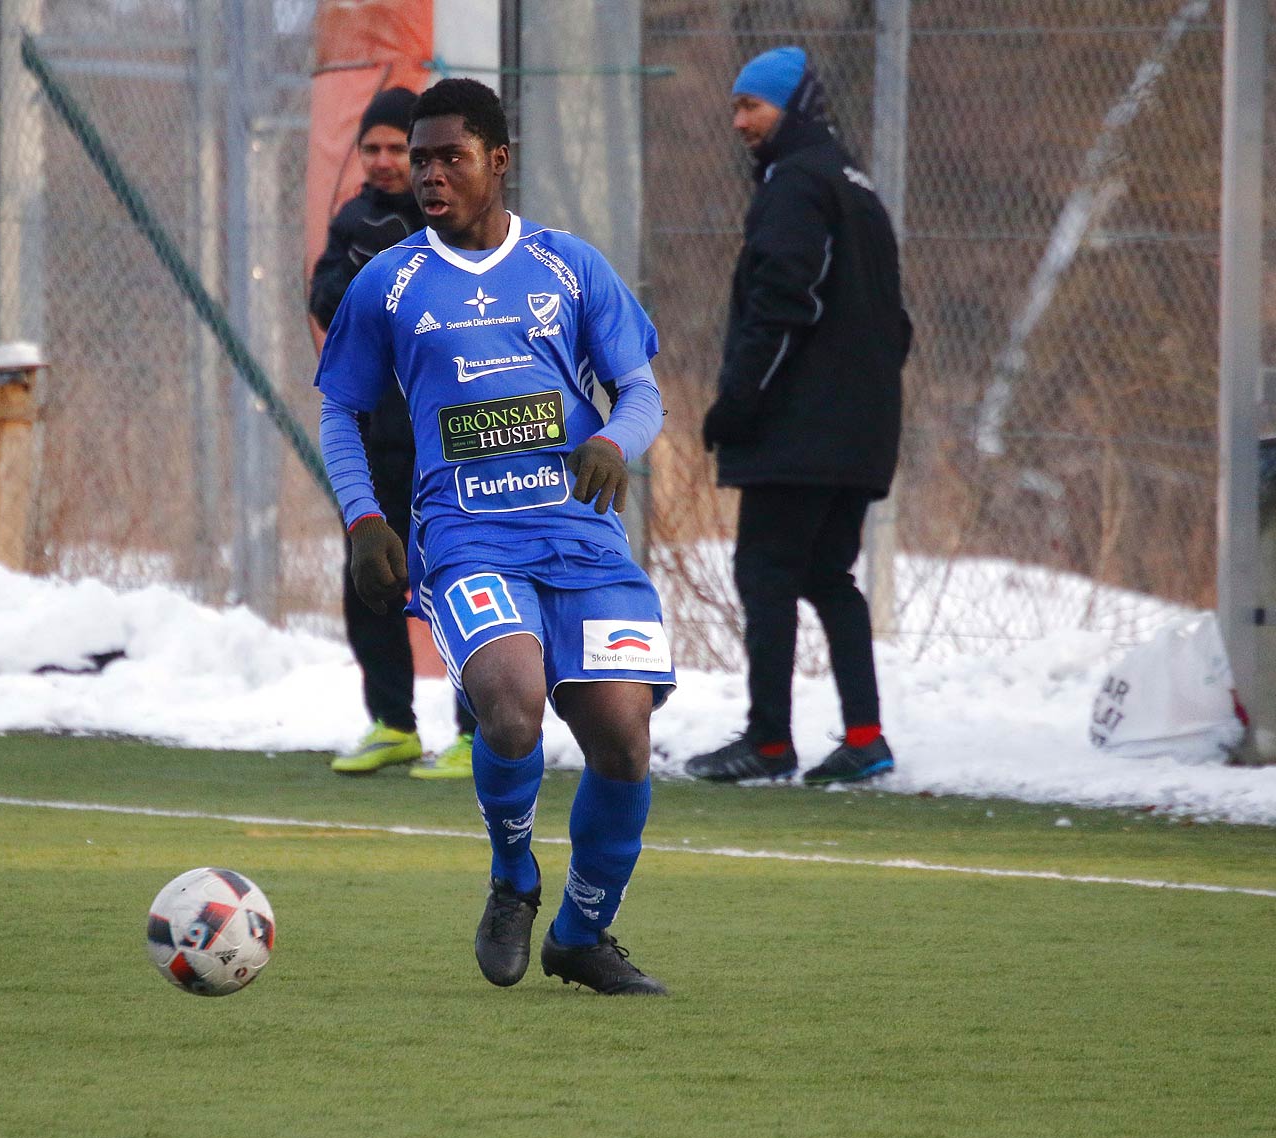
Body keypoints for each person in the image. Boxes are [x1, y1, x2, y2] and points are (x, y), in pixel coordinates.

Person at [315, 78, 673, 995]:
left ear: (498, 160)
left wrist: (610, 441)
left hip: (580, 539)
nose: (430, 176)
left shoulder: (568, 266)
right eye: (420, 160)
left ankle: (583, 935)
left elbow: (639, 392)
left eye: (449, 158)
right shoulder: (388, 281)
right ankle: (513, 876)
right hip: (468, 534)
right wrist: (364, 520)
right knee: (510, 703)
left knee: (624, 737)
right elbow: (340, 411)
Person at [687, 46, 912, 787]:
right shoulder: (857, 187)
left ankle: (770, 741)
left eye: (752, 106)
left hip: (801, 431)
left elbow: (785, 301)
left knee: (766, 572)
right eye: (735, 107)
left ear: (794, 108)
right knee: (826, 575)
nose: (739, 121)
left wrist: (740, 402)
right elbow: (897, 324)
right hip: (862, 432)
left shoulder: (795, 185)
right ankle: (865, 736)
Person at [310, 87, 478, 781]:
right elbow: (323, 300)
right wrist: (364, 277)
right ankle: (393, 722)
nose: (384, 162)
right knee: (371, 577)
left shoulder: (458, 219)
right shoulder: (354, 219)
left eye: (396, 149)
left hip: (453, 439)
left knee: (464, 577)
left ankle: (481, 730)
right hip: (381, 436)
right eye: (371, 148)